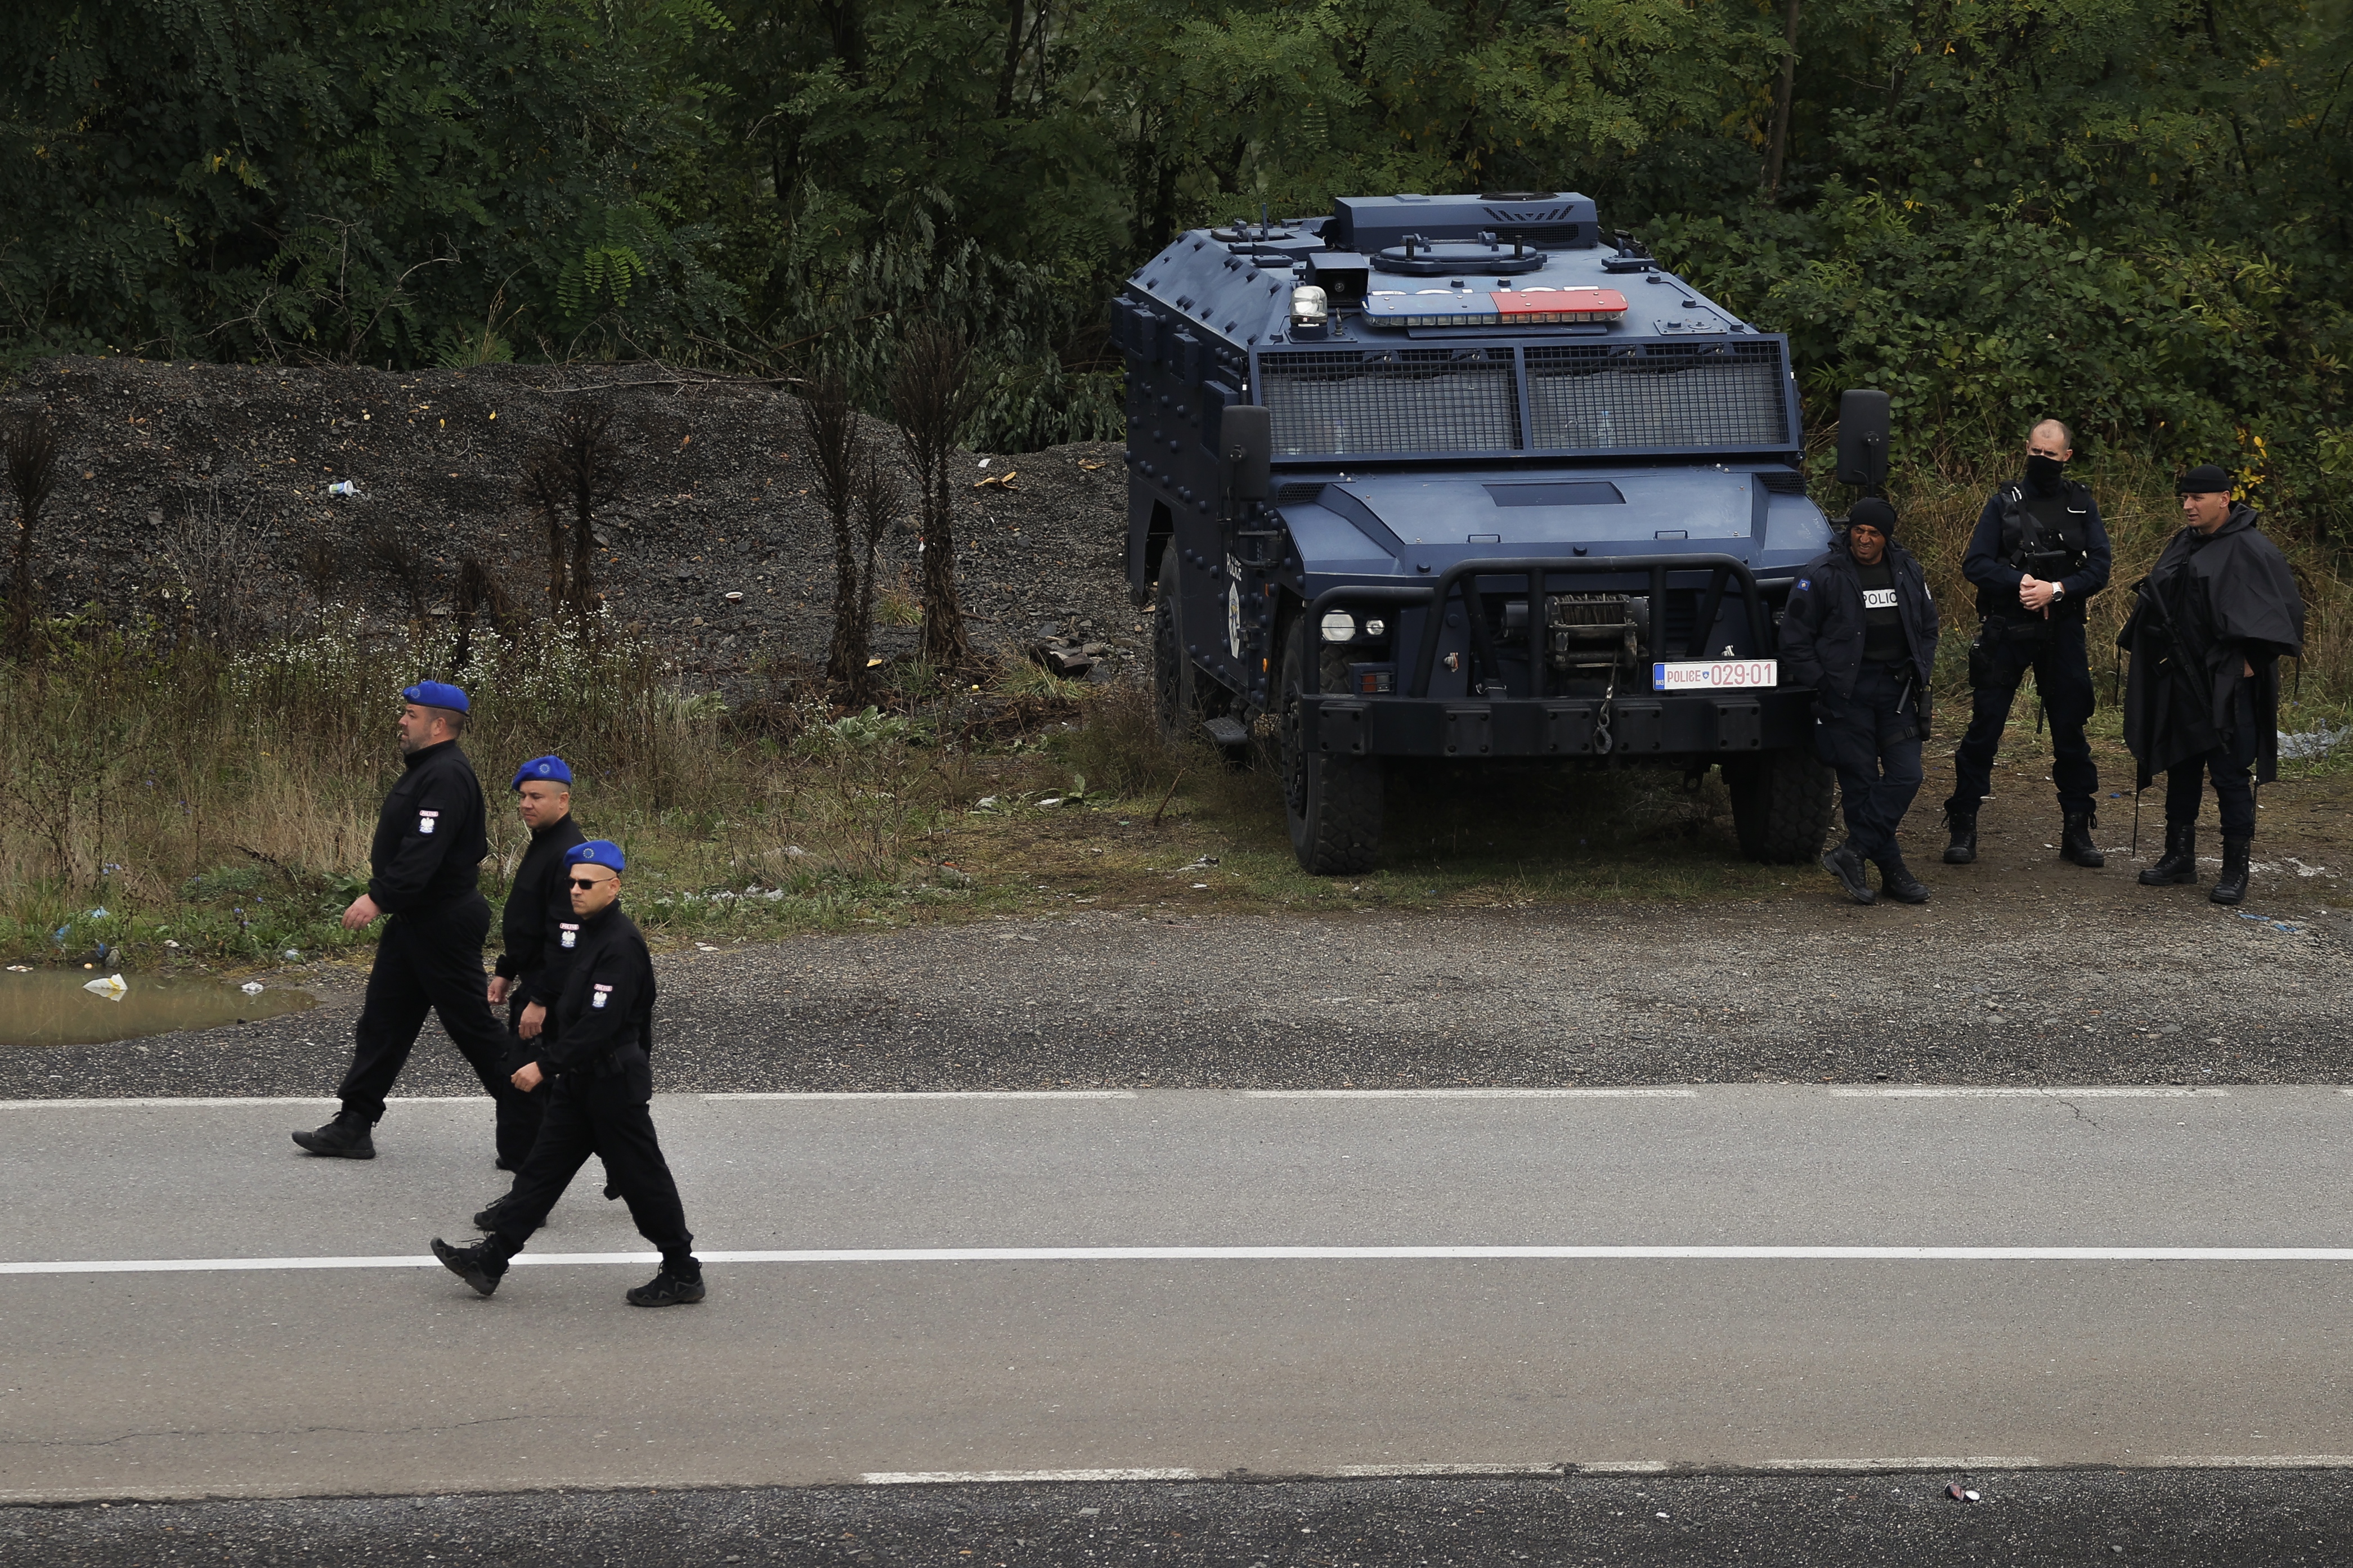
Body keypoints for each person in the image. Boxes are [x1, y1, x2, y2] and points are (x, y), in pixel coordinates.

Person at [433, 841, 706, 1308]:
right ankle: (491, 1259)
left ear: (614, 887)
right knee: (541, 1171)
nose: (576, 891)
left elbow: (603, 1025)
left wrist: (544, 1065)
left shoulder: (620, 945)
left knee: (643, 1179)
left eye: (586, 884)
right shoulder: (588, 934)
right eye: (572, 883)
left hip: (612, 1083)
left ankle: (682, 1270)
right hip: (581, 1080)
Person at [295, 683, 531, 1162]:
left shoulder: (445, 775)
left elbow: (425, 851)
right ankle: (354, 1124)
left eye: (410, 714)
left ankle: (537, 1119)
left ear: (438, 724)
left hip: (441, 923)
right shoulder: (428, 770)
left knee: (473, 1028)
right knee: (383, 1023)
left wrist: (378, 897)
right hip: (414, 921)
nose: (401, 722)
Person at [2119, 465, 2305, 905]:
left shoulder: (2251, 548)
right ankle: (2178, 856)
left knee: (2230, 772)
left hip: (2227, 682)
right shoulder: (2183, 543)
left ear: (2223, 498)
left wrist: (2252, 662)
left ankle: (2233, 869)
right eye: (2183, 498)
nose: (2187, 506)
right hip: (2179, 676)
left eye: (2197, 498)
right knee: (2180, 761)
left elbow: (2282, 613)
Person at [1943, 419, 2113, 867]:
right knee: (1984, 729)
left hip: (2063, 630)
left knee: (2070, 732)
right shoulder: (2002, 505)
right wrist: (2018, 580)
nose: (2041, 461)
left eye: (2050, 455)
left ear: (2066, 457)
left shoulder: (2081, 505)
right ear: (2026, 448)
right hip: (2007, 628)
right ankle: (1962, 824)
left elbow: (2099, 569)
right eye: (2035, 453)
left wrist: (2054, 590)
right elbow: (1975, 563)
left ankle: (2077, 829)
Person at [1782, 497, 1942, 905]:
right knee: (1860, 784)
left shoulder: (1906, 570)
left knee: (1907, 775)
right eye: (1858, 531)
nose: (1864, 540)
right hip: (1845, 694)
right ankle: (1893, 872)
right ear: (1848, 531)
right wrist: (1824, 684)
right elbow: (1794, 641)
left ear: (1886, 537)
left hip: (1896, 691)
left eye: (1873, 533)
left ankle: (1851, 852)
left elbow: (1927, 624)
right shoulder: (1821, 574)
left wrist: (1920, 670)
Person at [473, 756, 587, 1219]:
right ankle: (622, 1163)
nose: (526, 804)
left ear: (563, 799)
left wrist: (539, 998)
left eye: (536, 797)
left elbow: (566, 937)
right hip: (537, 980)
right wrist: (504, 969)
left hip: (553, 990)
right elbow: (528, 919)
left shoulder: (569, 852)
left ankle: (526, 1201)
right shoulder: (543, 842)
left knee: (524, 1084)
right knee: (583, 1091)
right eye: (523, 796)